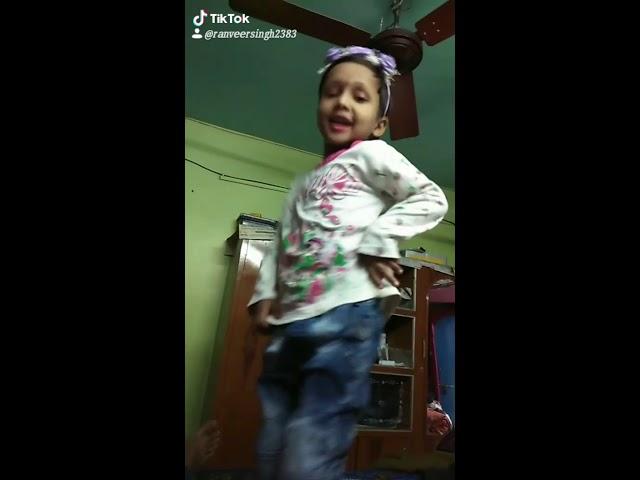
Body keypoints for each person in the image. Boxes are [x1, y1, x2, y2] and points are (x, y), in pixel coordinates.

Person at [248, 45, 449, 480]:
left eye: (359, 96)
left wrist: (380, 238)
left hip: (346, 315)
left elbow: (431, 197)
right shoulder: (303, 184)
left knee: (310, 448)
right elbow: (281, 242)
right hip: (289, 324)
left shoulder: (372, 155)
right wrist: (263, 294)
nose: (342, 102)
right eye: (332, 92)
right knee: (270, 442)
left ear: (379, 124)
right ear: (319, 106)